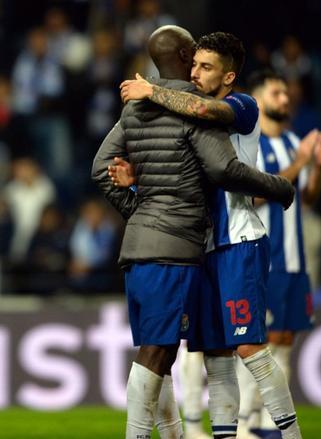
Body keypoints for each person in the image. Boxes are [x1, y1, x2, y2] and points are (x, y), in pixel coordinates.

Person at [91, 25, 295, 439]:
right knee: (214, 356)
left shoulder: (241, 105)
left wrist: (279, 187)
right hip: (197, 245)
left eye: (207, 67)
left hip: (236, 240)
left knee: (248, 347)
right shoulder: (183, 106)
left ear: (228, 76)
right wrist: (137, 186)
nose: (198, 74)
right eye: (196, 64)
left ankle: (291, 435)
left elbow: (206, 119)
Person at [246, 69, 321, 437]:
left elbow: (308, 198)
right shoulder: (247, 143)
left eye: (286, 93)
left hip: (295, 257)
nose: (285, 99)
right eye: (276, 93)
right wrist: (302, 163)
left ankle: (267, 425)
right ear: (257, 99)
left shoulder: (293, 141)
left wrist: (320, 168)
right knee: (258, 345)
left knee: (285, 338)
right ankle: (246, 424)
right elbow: (251, 195)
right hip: (264, 257)